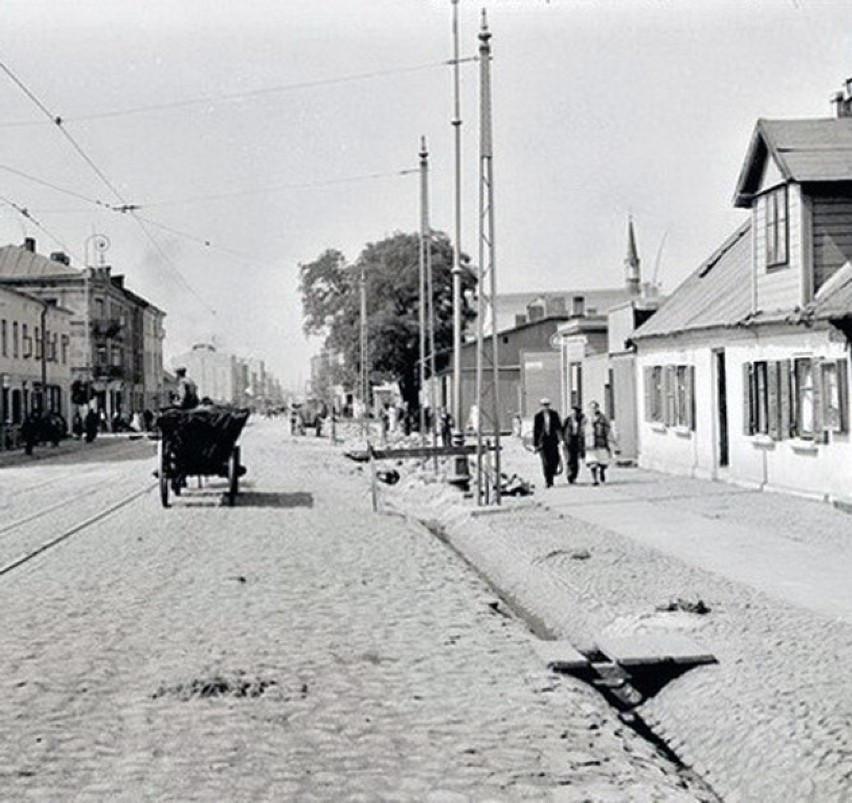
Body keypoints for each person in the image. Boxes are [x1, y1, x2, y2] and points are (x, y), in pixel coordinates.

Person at [533, 398, 563, 488]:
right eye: (543, 405)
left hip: (553, 440)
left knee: (554, 460)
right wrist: (535, 444)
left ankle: (552, 473)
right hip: (543, 442)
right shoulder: (538, 416)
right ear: (541, 406)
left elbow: (559, 427)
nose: (545, 407)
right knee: (545, 462)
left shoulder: (554, 414)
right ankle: (548, 481)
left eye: (547, 405)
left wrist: (561, 439)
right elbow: (535, 430)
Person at [585, 400, 616, 486]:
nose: (593, 409)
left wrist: (611, 441)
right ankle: (594, 479)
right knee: (592, 462)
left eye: (595, 407)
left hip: (601, 442)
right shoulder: (586, 419)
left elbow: (608, 430)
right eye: (591, 408)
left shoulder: (603, 418)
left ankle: (602, 471)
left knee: (602, 462)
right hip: (590, 444)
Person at [562, 404, 587, 484]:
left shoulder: (581, 420)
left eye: (576, 412)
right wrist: (562, 440)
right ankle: (569, 476)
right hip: (568, 441)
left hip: (577, 441)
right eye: (573, 412)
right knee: (569, 459)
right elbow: (562, 430)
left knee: (575, 460)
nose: (574, 414)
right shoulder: (567, 420)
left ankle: (574, 476)